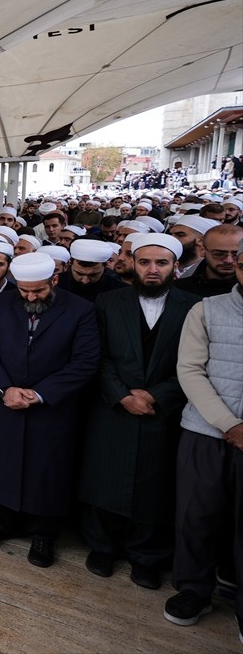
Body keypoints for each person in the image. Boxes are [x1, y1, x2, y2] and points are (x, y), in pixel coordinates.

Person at [79, 233, 198, 589]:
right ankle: (102, 546)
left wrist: (157, 395)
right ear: (132, 264)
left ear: (175, 267)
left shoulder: (193, 307)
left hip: (163, 410)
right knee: (106, 478)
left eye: (161, 263)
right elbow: (96, 356)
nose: (152, 269)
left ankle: (147, 556)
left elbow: (193, 364)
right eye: (144, 262)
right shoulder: (108, 301)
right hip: (113, 406)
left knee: (155, 485)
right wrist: (121, 395)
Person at [0, 251, 99, 567]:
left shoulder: (80, 310)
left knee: (47, 471)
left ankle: (44, 534)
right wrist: (4, 388)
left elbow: (84, 362)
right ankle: (0, 521)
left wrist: (41, 394)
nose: (30, 296)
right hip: (6, 401)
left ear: (54, 280)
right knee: (2, 462)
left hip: (52, 407)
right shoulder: (2, 304)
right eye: (24, 290)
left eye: (38, 291)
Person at [165, 238, 243, 633]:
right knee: (197, 513)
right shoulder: (207, 310)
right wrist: (229, 424)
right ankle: (193, 587)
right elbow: (191, 370)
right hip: (205, 430)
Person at [174, 223, 243, 298]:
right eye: (219, 254)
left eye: (236, 254)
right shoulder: (178, 289)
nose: (229, 260)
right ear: (202, 250)